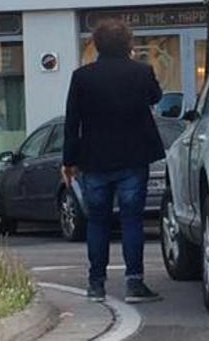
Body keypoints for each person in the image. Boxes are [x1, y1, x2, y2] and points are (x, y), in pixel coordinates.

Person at [61, 19, 166, 304]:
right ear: (128, 45)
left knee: (98, 222)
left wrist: (69, 161)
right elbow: (155, 96)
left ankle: (96, 284)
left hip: (94, 159)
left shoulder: (82, 77)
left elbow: (72, 122)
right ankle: (134, 282)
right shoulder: (141, 72)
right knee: (132, 220)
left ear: (96, 44)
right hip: (133, 157)